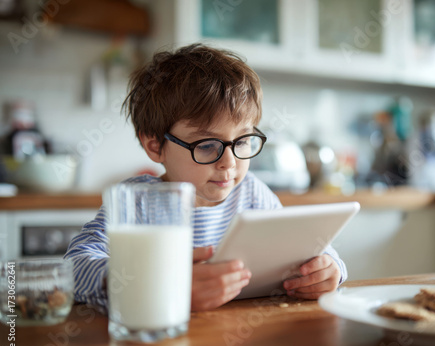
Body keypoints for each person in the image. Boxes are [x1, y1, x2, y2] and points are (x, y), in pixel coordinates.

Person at [64, 43, 347, 312]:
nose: (229, 162)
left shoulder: (253, 194)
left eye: (242, 141)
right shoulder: (137, 202)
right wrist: (154, 284)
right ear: (155, 146)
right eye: (208, 145)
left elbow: (309, 249)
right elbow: (75, 267)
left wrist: (328, 269)